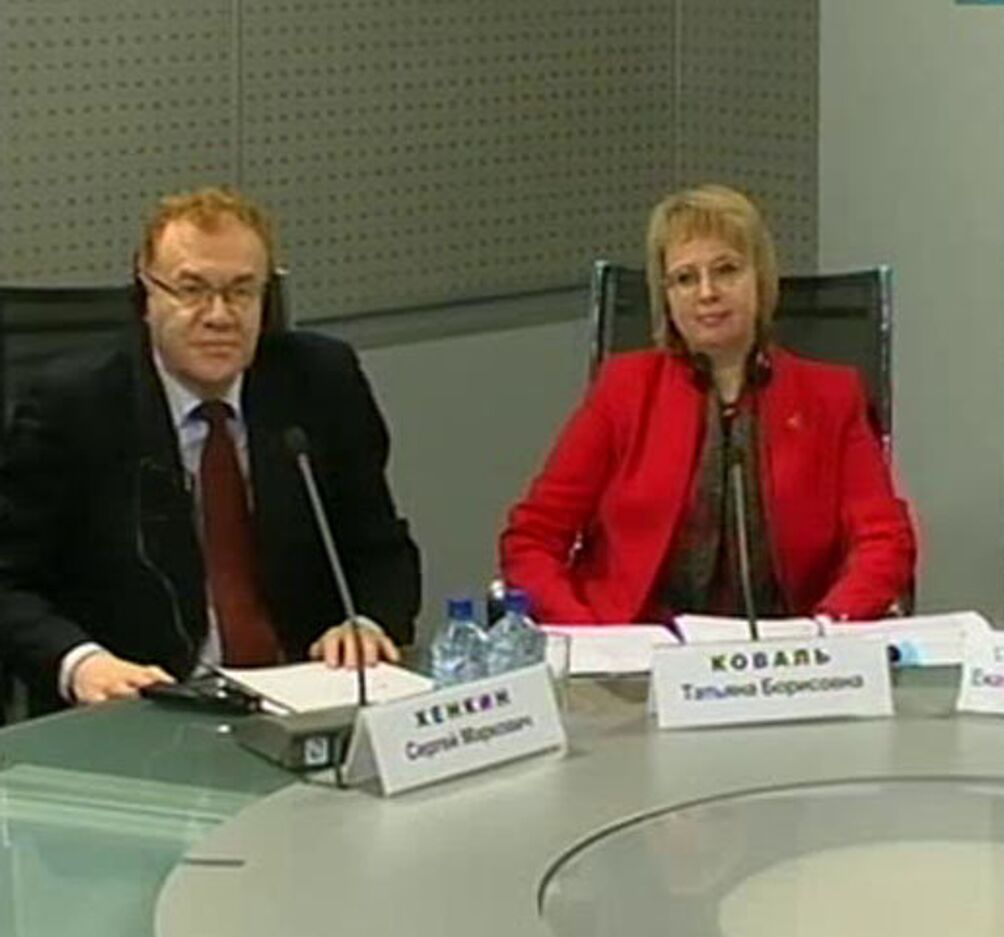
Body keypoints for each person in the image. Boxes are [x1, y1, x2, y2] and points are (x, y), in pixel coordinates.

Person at [0, 187, 420, 712]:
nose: (219, 316)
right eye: (192, 290)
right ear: (146, 298)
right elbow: (9, 583)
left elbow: (380, 549)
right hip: (142, 706)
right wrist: (82, 664)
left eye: (242, 291)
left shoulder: (320, 381)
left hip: (301, 699)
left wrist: (368, 623)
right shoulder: (73, 405)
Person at [500, 184, 915, 624]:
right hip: (638, 649)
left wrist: (829, 627)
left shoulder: (832, 396)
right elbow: (532, 539)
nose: (706, 293)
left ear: (761, 278)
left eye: (726, 270)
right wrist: (592, 638)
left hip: (787, 647)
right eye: (685, 278)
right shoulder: (623, 390)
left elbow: (884, 539)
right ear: (665, 296)